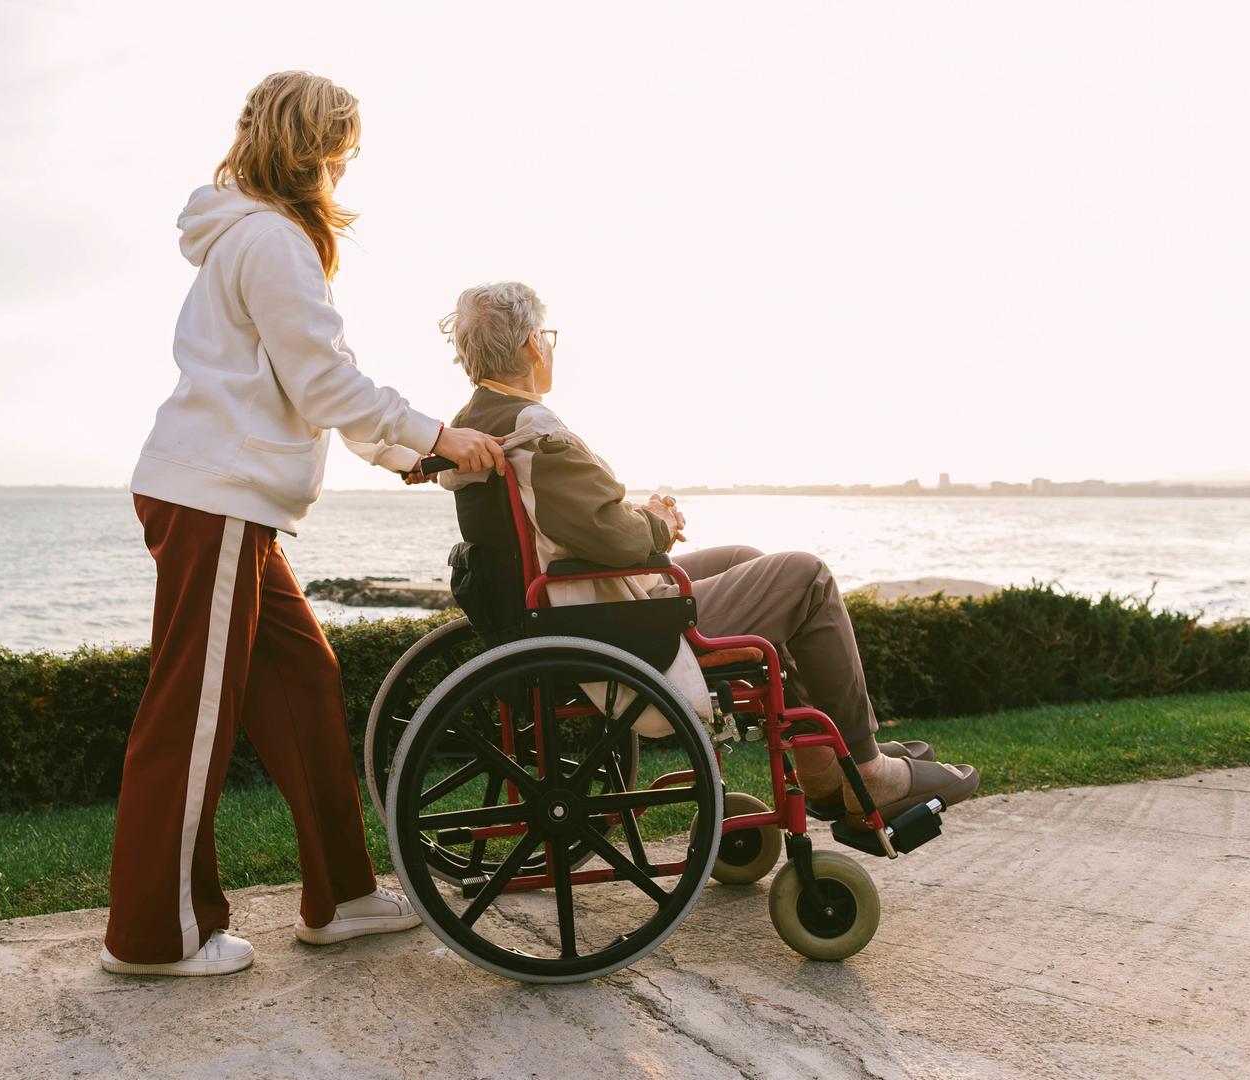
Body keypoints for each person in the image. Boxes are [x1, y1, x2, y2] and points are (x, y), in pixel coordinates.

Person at [100, 72, 505, 978]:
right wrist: (435, 437)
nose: (347, 165)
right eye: (343, 148)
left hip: (229, 502)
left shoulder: (248, 236)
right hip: (216, 501)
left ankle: (346, 895)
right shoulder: (273, 242)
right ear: (313, 148)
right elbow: (323, 383)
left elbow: (307, 383)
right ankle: (154, 938)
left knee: (303, 682)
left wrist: (413, 455)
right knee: (192, 715)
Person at [427, 281, 979, 826]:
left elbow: (578, 525)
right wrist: (660, 523)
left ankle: (818, 756)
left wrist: (637, 521)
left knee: (745, 555)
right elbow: (613, 536)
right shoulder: (534, 432)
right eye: (545, 335)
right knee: (807, 578)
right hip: (611, 624)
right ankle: (865, 769)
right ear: (530, 344)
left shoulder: (476, 426)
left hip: (573, 603)